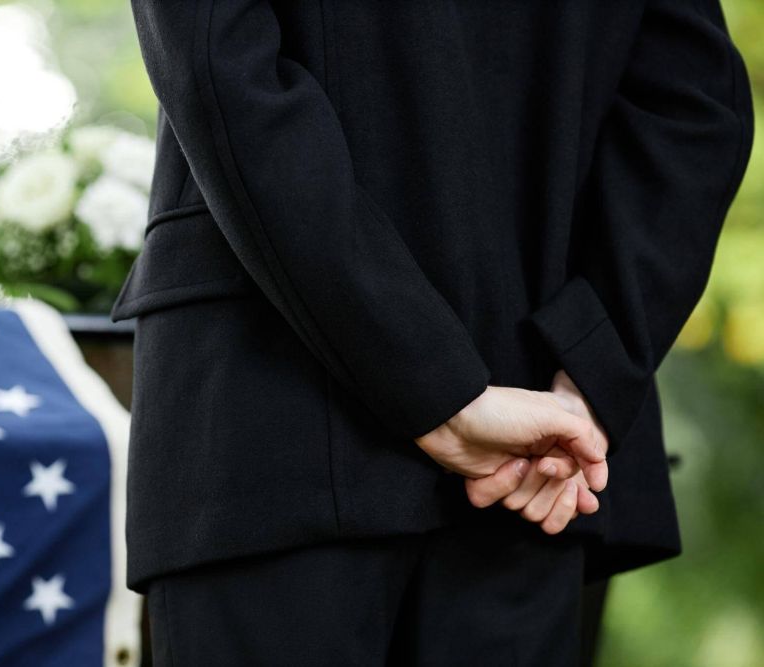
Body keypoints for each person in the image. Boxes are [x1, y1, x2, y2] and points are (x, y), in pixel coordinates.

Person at [110, 0, 754, 664]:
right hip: (533, 450)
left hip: (273, 410)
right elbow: (697, 105)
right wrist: (586, 366)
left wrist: (452, 392)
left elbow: (219, 61)